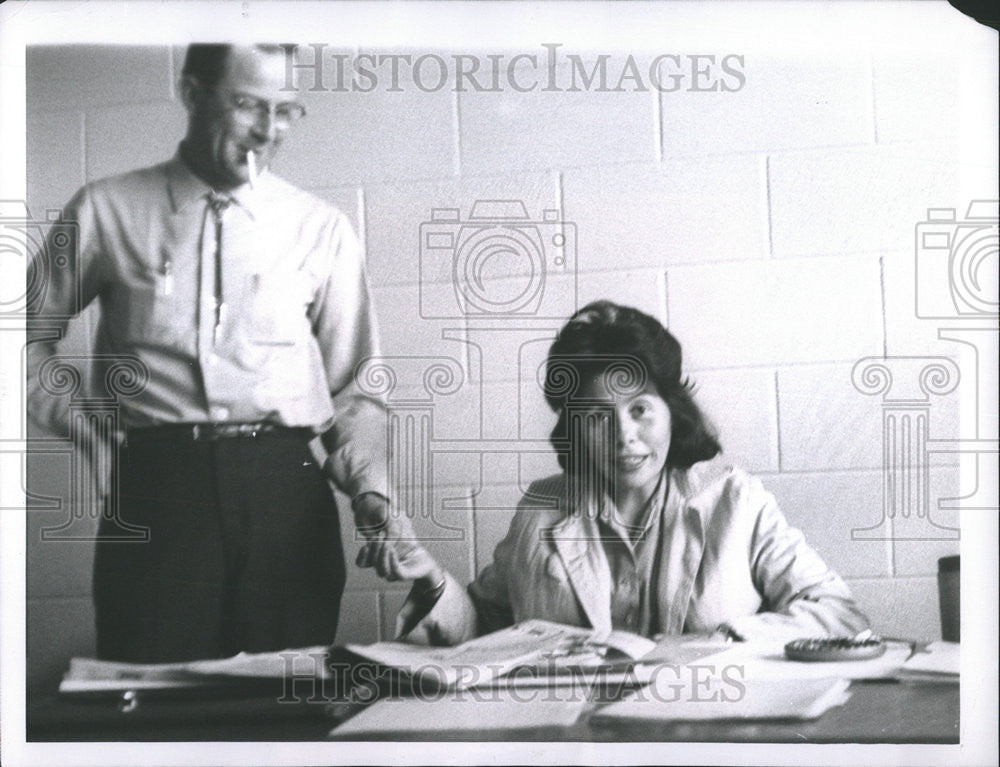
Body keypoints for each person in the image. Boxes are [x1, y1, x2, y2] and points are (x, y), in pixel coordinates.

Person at [26, 44, 393, 662]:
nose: (267, 130)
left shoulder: (319, 226)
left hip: (286, 491)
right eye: (248, 104)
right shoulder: (106, 210)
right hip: (157, 491)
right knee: (151, 709)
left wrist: (372, 494)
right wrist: (77, 420)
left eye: (286, 110)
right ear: (192, 94)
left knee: (287, 709)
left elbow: (356, 388)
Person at [359, 301, 870, 644]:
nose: (624, 435)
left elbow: (838, 613)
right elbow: (486, 628)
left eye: (640, 409)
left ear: (672, 410)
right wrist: (430, 580)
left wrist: (725, 643)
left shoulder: (736, 502)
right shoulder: (541, 511)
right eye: (598, 417)